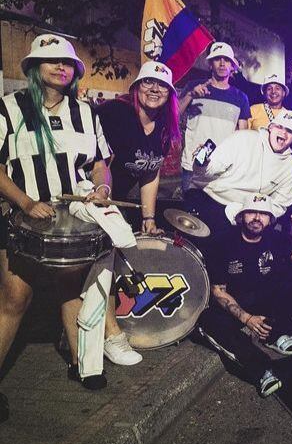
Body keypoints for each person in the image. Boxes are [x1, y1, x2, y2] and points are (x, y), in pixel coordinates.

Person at [0, 34, 112, 391]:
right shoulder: (8, 108)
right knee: (16, 298)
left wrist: (102, 187)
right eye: (52, 61)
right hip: (22, 220)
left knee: (71, 288)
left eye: (67, 63)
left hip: (71, 221)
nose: (61, 67)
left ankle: (82, 363)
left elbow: (100, 163)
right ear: (34, 67)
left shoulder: (86, 111)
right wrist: (27, 202)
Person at [202, 194, 292, 397]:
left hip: (265, 298)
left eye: (263, 214)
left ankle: (275, 333)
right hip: (235, 301)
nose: (257, 218)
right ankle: (262, 371)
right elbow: (218, 291)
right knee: (210, 322)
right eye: (252, 212)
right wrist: (247, 318)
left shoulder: (277, 238)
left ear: (270, 220)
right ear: (241, 216)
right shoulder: (222, 242)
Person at [186, 109, 292, 241]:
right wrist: (202, 163)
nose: (284, 133)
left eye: (290, 132)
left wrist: (250, 212)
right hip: (210, 198)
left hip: (248, 214)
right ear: (271, 127)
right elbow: (208, 170)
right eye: (280, 127)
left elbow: (280, 204)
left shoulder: (291, 167)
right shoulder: (243, 138)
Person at [97, 60, 180, 232]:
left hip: (116, 201)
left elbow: (151, 173)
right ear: (137, 86)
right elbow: (98, 163)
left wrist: (148, 218)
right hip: (93, 198)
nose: (155, 89)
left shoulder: (164, 125)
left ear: (169, 93)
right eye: (148, 81)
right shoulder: (115, 112)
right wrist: (106, 210)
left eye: (163, 85)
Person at [178, 42, 250, 193]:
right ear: (210, 64)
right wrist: (190, 95)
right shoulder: (195, 86)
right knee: (187, 214)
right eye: (217, 59)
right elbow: (174, 114)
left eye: (227, 60)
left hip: (223, 167)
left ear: (232, 66)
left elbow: (243, 136)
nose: (222, 63)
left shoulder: (241, 97)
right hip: (193, 165)